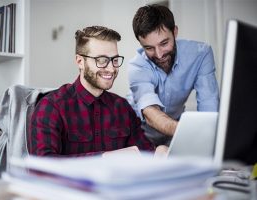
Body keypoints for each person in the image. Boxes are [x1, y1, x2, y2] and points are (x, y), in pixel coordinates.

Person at [27, 26, 156, 157]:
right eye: (101, 60)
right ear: (80, 62)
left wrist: (158, 153)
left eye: (115, 60)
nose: (111, 69)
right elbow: (41, 166)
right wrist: (103, 158)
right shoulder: (52, 106)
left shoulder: (122, 107)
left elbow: (145, 154)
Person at [127, 4, 219, 146]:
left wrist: (208, 138)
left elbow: (209, 108)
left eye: (164, 43)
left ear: (175, 32)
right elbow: (151, 113)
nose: (159, 54)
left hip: (175, 132)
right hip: (140, 134)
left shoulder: (200, 55)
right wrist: (190, 132)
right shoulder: (137, 66)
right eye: (149, 48)